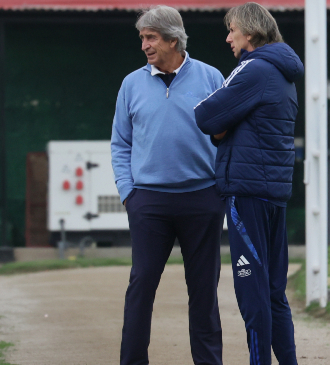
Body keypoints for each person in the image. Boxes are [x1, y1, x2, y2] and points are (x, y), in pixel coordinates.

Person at [111, 6, 226, 365]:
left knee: (204, 292)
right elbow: (120, 143)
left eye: (152, 38)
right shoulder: (131, 84)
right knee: (141, 287)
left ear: (173, 40)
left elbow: (229, 135)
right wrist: (129, 193)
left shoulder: (210, 78)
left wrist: (220, 188)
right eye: (142, 37)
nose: (144, 44)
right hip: (149, 202)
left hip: (203, 200)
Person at [194, 3, 304, 365]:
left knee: (251, 290)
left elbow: (206, 114)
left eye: (232, 30)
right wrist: (225, 129)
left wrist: (223, 130)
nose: (228, 38)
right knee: (274, 292)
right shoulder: (283, 74)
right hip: (273, 194)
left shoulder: (253, 69)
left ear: (251, 34)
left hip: (246, 194)